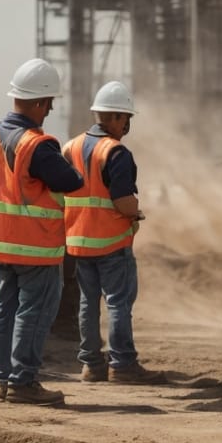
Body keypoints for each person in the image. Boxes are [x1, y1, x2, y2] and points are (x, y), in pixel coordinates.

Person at [0, 58, 85, 405]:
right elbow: (70, 181)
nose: (50, 110)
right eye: (49, 103)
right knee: (34, 312)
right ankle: (23, 382)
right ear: (39, 102)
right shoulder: (37, 144)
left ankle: (4, 380)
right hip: (35, 246)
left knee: (3, 310)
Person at [61, 81, 165, 384]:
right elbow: (123, 200)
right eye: (126, 119)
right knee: (118, 303)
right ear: (117, 117)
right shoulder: (115, 152)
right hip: (110, 242)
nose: (127, 125)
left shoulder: (70, 147)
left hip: (78, 241)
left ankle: (92, 365)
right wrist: (136, 213)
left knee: (87, 302)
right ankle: (122, 365)